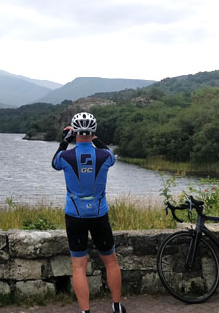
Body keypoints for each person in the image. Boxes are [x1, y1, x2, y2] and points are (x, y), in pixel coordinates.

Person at [51, 112, 125, 313]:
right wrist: (95, 138)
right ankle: (117, 306)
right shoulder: (105, 157)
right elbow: (110, 153)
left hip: (75, 216)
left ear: (74, 132)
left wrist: (66, 139)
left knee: (79, 266)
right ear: (94, 132)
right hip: (99, 215)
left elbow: (54, 162)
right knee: (110, 261)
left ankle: (85, 311)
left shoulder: (65, 157)